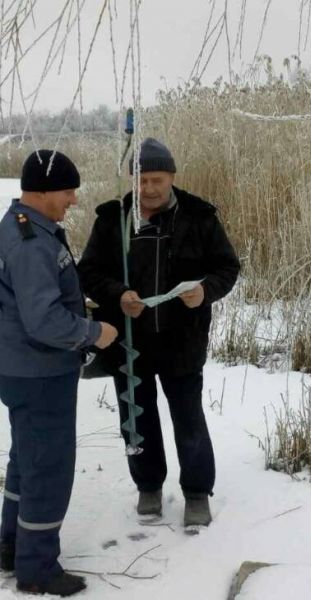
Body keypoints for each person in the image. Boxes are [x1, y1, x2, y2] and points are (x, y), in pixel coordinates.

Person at [78, 137, 240, 527]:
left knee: (189, 418)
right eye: (142, 181)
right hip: (129, 343)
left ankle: (197, 492)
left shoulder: (199, 217)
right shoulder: (112, 219)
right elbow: (88, 273)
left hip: (182, 341)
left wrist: (204, 292)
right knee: (137, 419)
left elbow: (227, 269)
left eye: (157, 180)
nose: (149, 189)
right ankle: (148, 485)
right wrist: (119, 296)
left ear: (171, 177)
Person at [0, 150, 118, 596]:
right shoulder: (31, 242)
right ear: (44, 190)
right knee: (48, 468)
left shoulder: (19, 226)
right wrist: (92, 332)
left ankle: (12, 546)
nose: (72, 199)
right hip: (39, 371)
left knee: (26, 461)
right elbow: (43, 321)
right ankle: (37, 568)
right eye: (68, 190)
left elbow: (30, 303)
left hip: (19, 367)